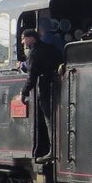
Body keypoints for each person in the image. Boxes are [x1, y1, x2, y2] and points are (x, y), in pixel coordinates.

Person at [20, 28, 62, 161]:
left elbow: (32, 77)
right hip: (57, 86)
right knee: (55, 119)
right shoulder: (50, 48)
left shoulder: (34, 53)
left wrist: (24, 92)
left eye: (23, 39)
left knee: (49, 120)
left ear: (31, 38)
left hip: (45, 89)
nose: (22, 42)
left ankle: (53, 151)